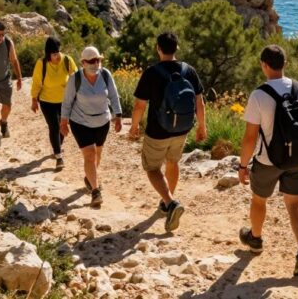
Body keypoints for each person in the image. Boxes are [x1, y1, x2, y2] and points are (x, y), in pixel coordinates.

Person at [237, 45, 298, 277]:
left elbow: (250, 137)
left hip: (267, 160)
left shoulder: (259, 95)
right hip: (296, 159)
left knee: (259, 200)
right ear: (285, 63)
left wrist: (242, 165)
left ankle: (256, 239)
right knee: (295, 204)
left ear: (264, 65)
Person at [128, 32, 207, 232]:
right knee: (173, 162)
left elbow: (139, 105)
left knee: (152, 168)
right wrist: (202, 126)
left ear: (158, 48)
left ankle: (170, 203)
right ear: (176, 48)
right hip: (182, 128)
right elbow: (199, 101)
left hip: (157, 130)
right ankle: (167, 202)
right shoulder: (189, 70)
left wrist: (134, 126)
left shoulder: (152, 72)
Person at [60, 46, 122, 209]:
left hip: (102, 121)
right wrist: (63, 121)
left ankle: (90, 177)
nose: (96, 64)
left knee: (98, 154)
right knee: (90, 155)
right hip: (80, 122)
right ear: (83, 63)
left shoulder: (106, 75)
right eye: (92, 61)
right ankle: (96, 191)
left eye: (98, 60)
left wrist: (118, 116)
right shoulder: (75, 79)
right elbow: (67, 101)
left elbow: (114, 96)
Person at [31, 37, 78, 171]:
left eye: (58, 53)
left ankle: (57, 146)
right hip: (47, 101)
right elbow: (36, 83)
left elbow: (76, 78)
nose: (57, 57)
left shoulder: (67, 60)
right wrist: (34, 100)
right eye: (54, 54)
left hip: (65, 101)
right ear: (48, 54)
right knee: (54, 126)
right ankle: (59, 156)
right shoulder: (42, 64)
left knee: (62, 125)